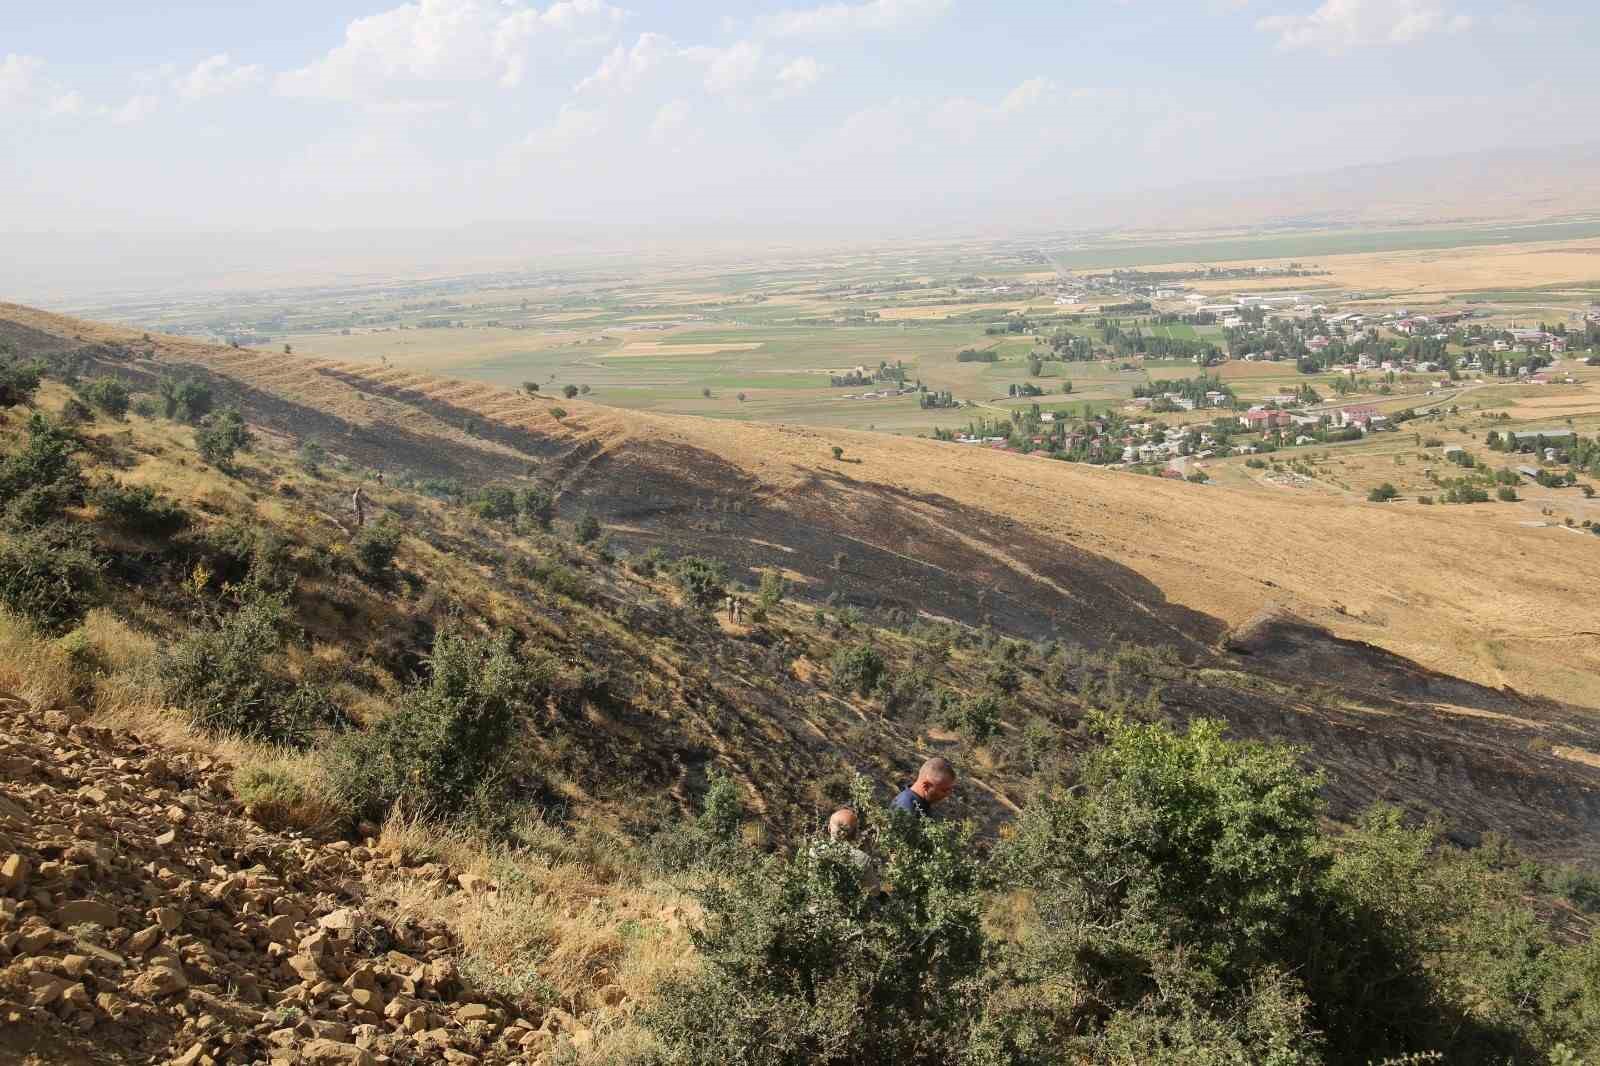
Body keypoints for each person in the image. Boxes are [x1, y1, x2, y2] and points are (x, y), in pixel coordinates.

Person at [892, 757, 956, 818]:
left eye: (950, 789)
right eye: (944, 790)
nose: (947, 794)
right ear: (926, 786)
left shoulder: (920, 802)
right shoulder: (905, 808)